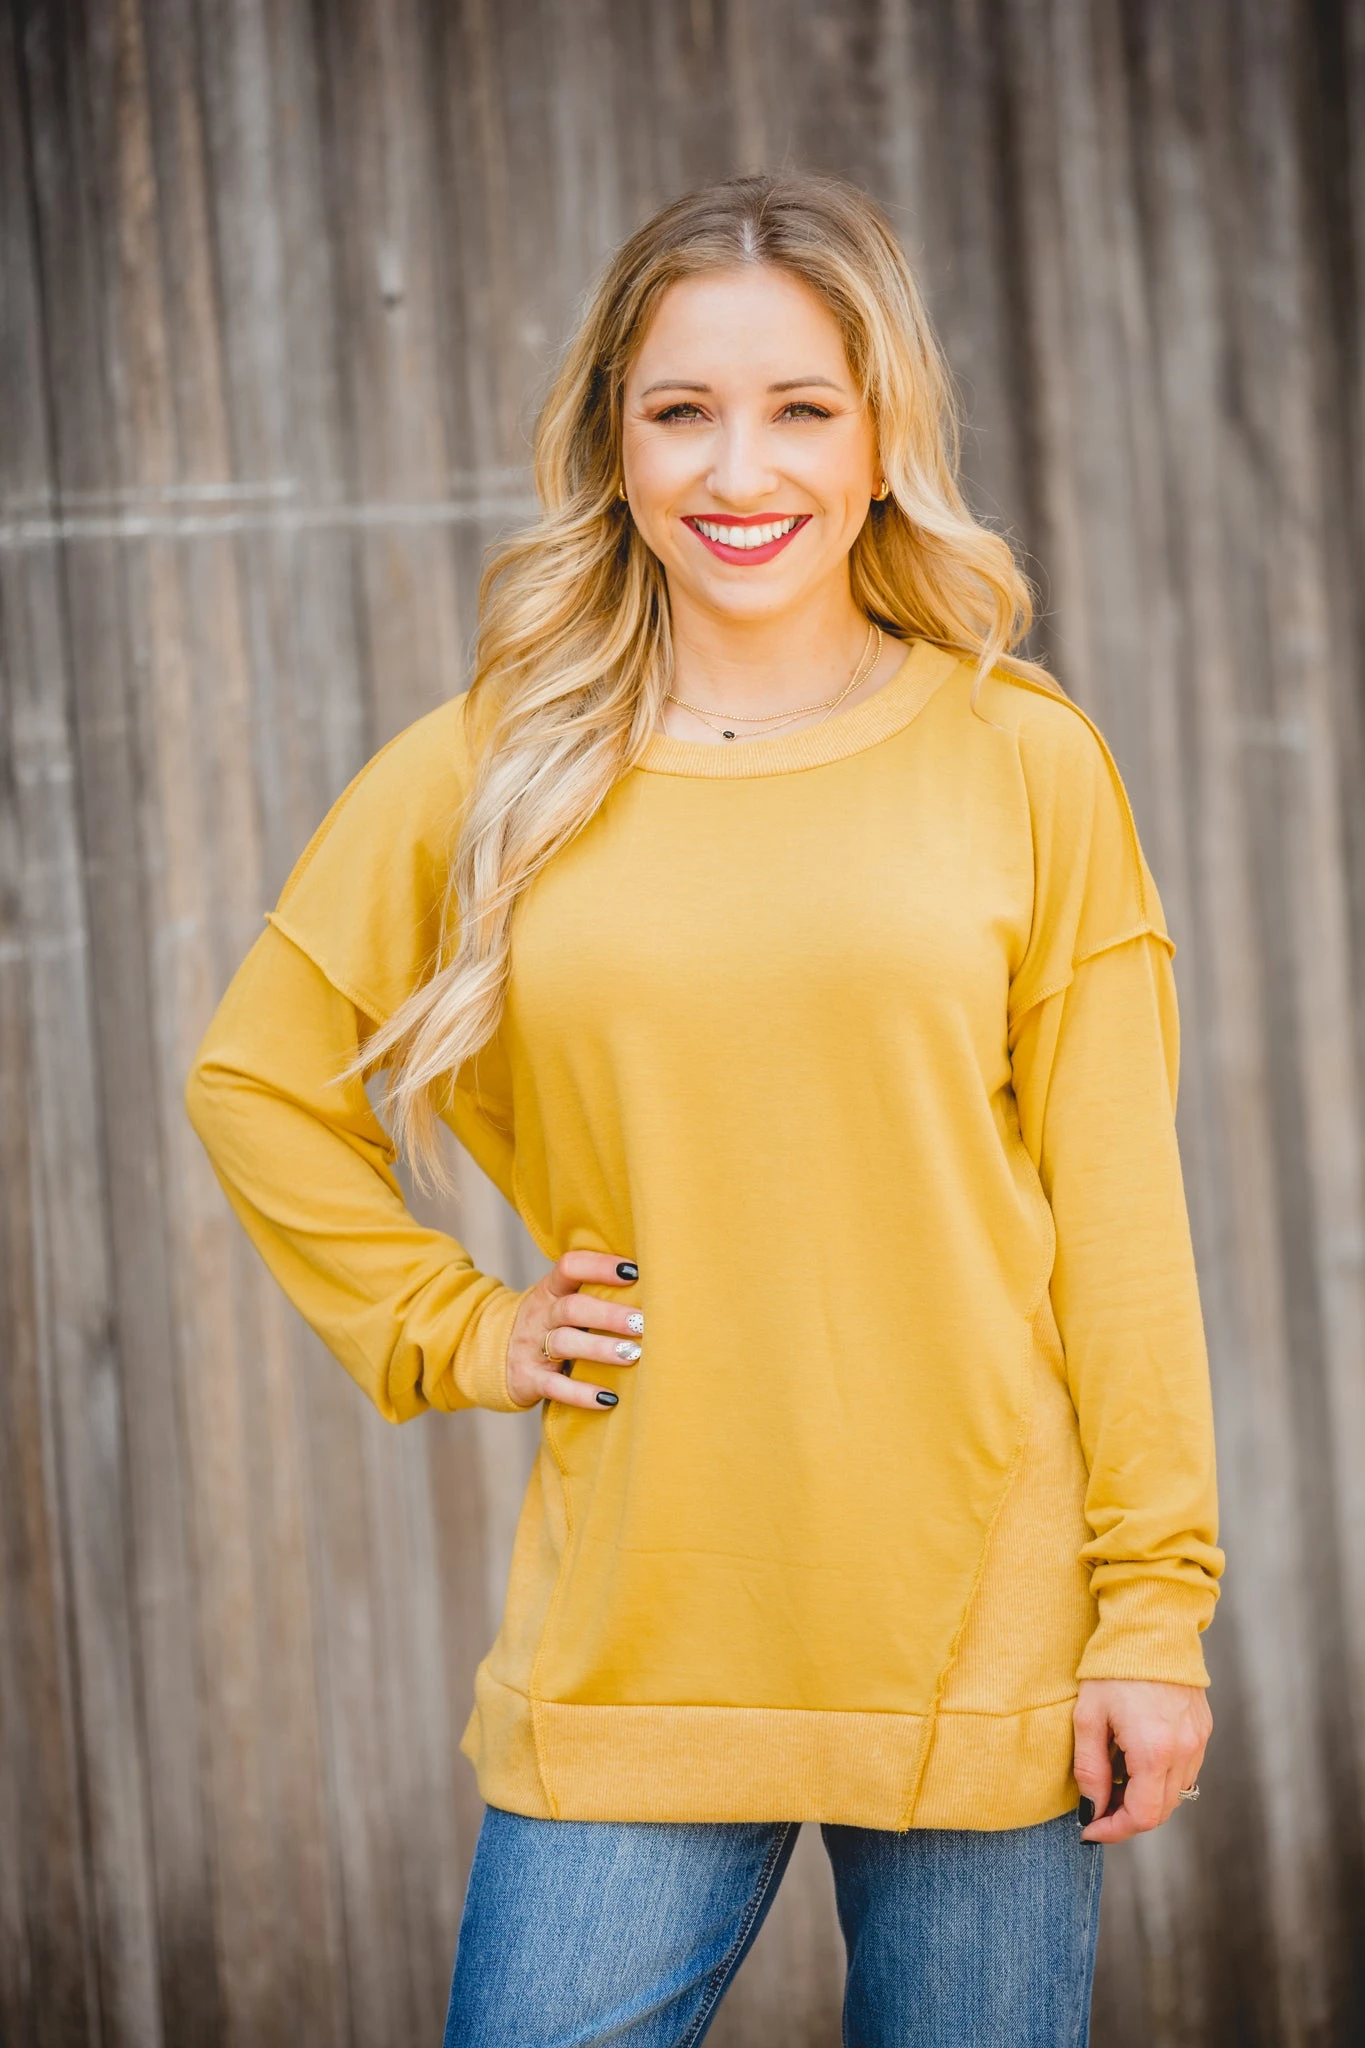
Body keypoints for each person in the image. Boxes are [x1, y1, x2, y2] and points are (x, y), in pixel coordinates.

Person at [185, 172, 1223, 2047]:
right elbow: (257, 1077)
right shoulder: (496, 770)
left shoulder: (1023, 759)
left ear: (885, 439)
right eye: (682, 411)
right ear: (616, 441)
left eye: (801, 408)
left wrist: (1152, 1615)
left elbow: (1122, 1219)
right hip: (645, 1629)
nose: (741, 471)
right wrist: (459, 1328)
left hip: (980, 1630)